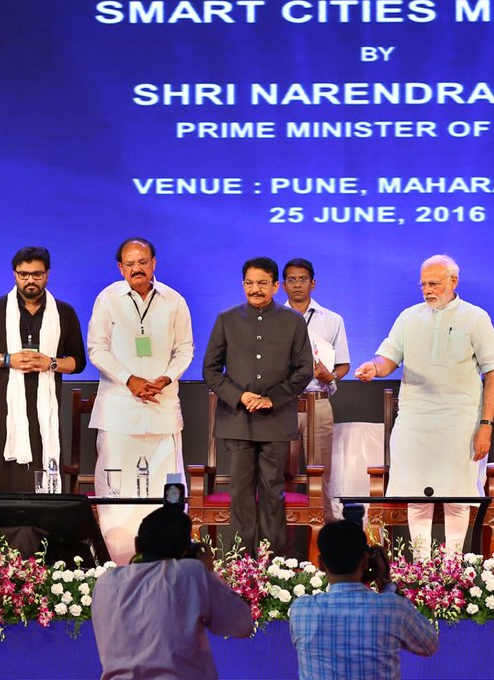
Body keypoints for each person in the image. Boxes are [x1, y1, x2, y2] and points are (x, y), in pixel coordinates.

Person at [354, 255, 494, 559]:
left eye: (434, 283)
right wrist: (374, 367)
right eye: (423, 284)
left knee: (457, 495)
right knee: (416, 494)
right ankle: (422, 565)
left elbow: (493, 373)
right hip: (415, 420)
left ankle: (452, 565)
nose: (427, 290)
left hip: (460, 421)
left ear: (453, 282)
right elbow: (388, 358)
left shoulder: (476, 318)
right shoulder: (408, 317)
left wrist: (486, 425)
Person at [88, 236, 194, 562]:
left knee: (166, 491)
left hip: (162, 410)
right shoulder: (108, 299)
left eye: (143, 262)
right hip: (119, 411)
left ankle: (166, 560)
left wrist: (166, 378)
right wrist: (129, 380)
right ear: (120, 268)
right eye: (130, 264)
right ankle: (119, 562)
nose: (137, 268)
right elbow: (97, 349)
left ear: (154, 264)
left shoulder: (174, 301)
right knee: (117, 491)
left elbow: (185, 349)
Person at [203, 256, 313, 553]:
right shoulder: (227, 319)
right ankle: (240, 563)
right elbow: (211, 370)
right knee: (239, 494)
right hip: (236, 421)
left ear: (276, 286)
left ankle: (272, 563)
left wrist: (271, 398)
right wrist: (240, 396)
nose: (255, 289)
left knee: (273, 494)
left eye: (262, 283)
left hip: (276, 421)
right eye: (249, 283)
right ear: (243, 285)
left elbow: (304, 370)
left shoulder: (293, 321)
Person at [0, 247, 85, 491]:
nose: (30, 280)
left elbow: (78, 362)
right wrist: (8, 359)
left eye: (37, 274)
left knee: (38, 478)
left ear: (47, 274)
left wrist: (50, 363)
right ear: (15, 274)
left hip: (43, 411)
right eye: (24, 274)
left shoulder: (64, 313)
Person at [91, 504, 254, 680]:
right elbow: (241, 624)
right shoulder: (189, 573)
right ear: (186, 550)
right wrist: (208, 571)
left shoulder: (105, 582)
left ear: (137, 544)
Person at [289, 519, 440, 679]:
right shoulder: (392, 607)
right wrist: (386, 583)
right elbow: (429, 644)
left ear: (321, 564)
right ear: (365, 561)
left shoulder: (301, 610)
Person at [282, 257, 352, 521]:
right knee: (282, 475)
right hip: (284, 404)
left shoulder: (332, 319)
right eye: (291, 280)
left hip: (318, 401)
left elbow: (343, 365)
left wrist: (329, 376)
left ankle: (324, 536)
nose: (297, 284)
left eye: (302, 279)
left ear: (313, 283)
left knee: (320, 474)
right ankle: (280, 541)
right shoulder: (273, 319)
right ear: (283, 285)